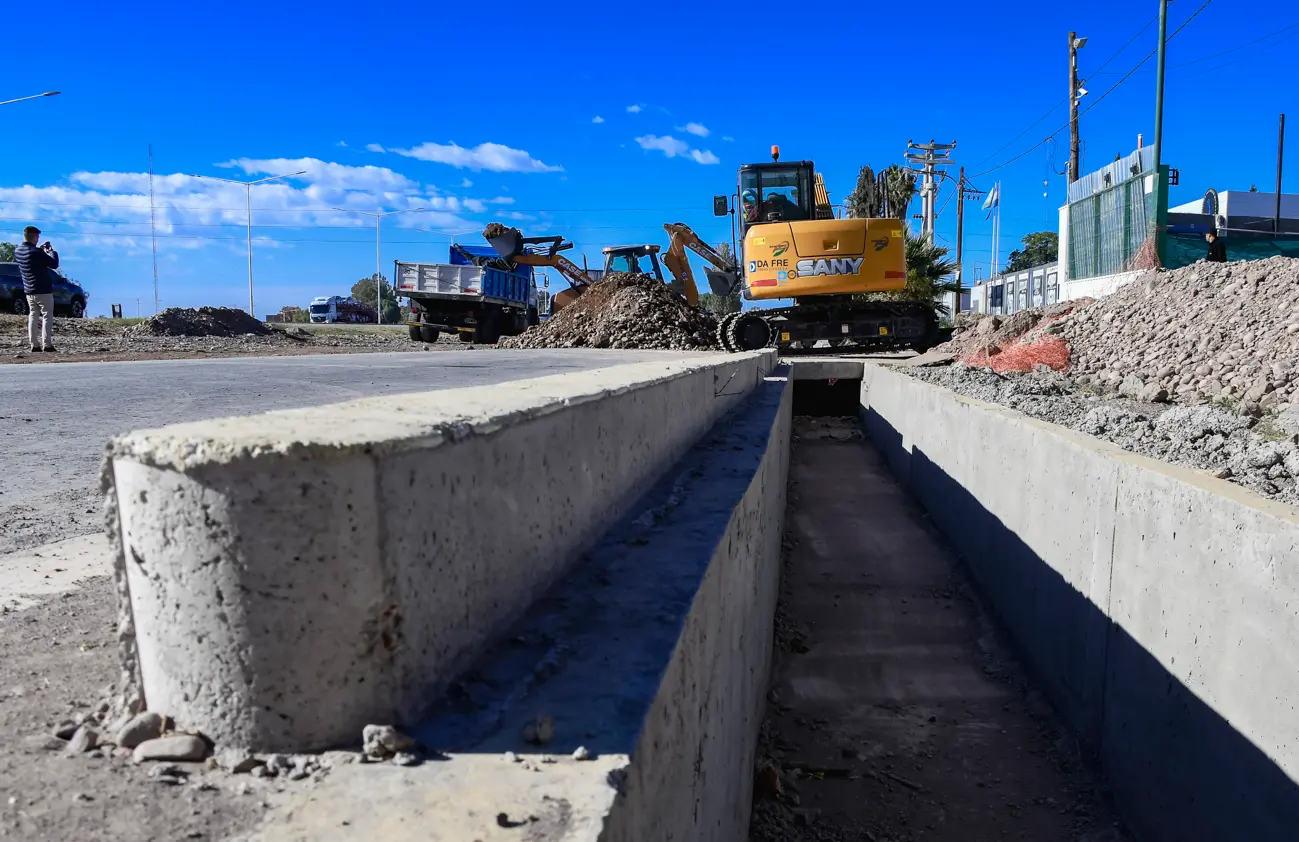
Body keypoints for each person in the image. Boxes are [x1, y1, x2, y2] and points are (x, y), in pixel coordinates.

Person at [14, 225, 60, 352]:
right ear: (34, 237)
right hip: (43, 289)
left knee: (33, 315)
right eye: (37, 237)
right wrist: (50, 251)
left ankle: (34, 344)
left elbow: (30, 257)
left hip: (29, 289)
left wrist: (38, 250)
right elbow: (54, 264)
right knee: (47, 316)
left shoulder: (18, 251)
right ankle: (47, 344)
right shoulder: (37, 252)